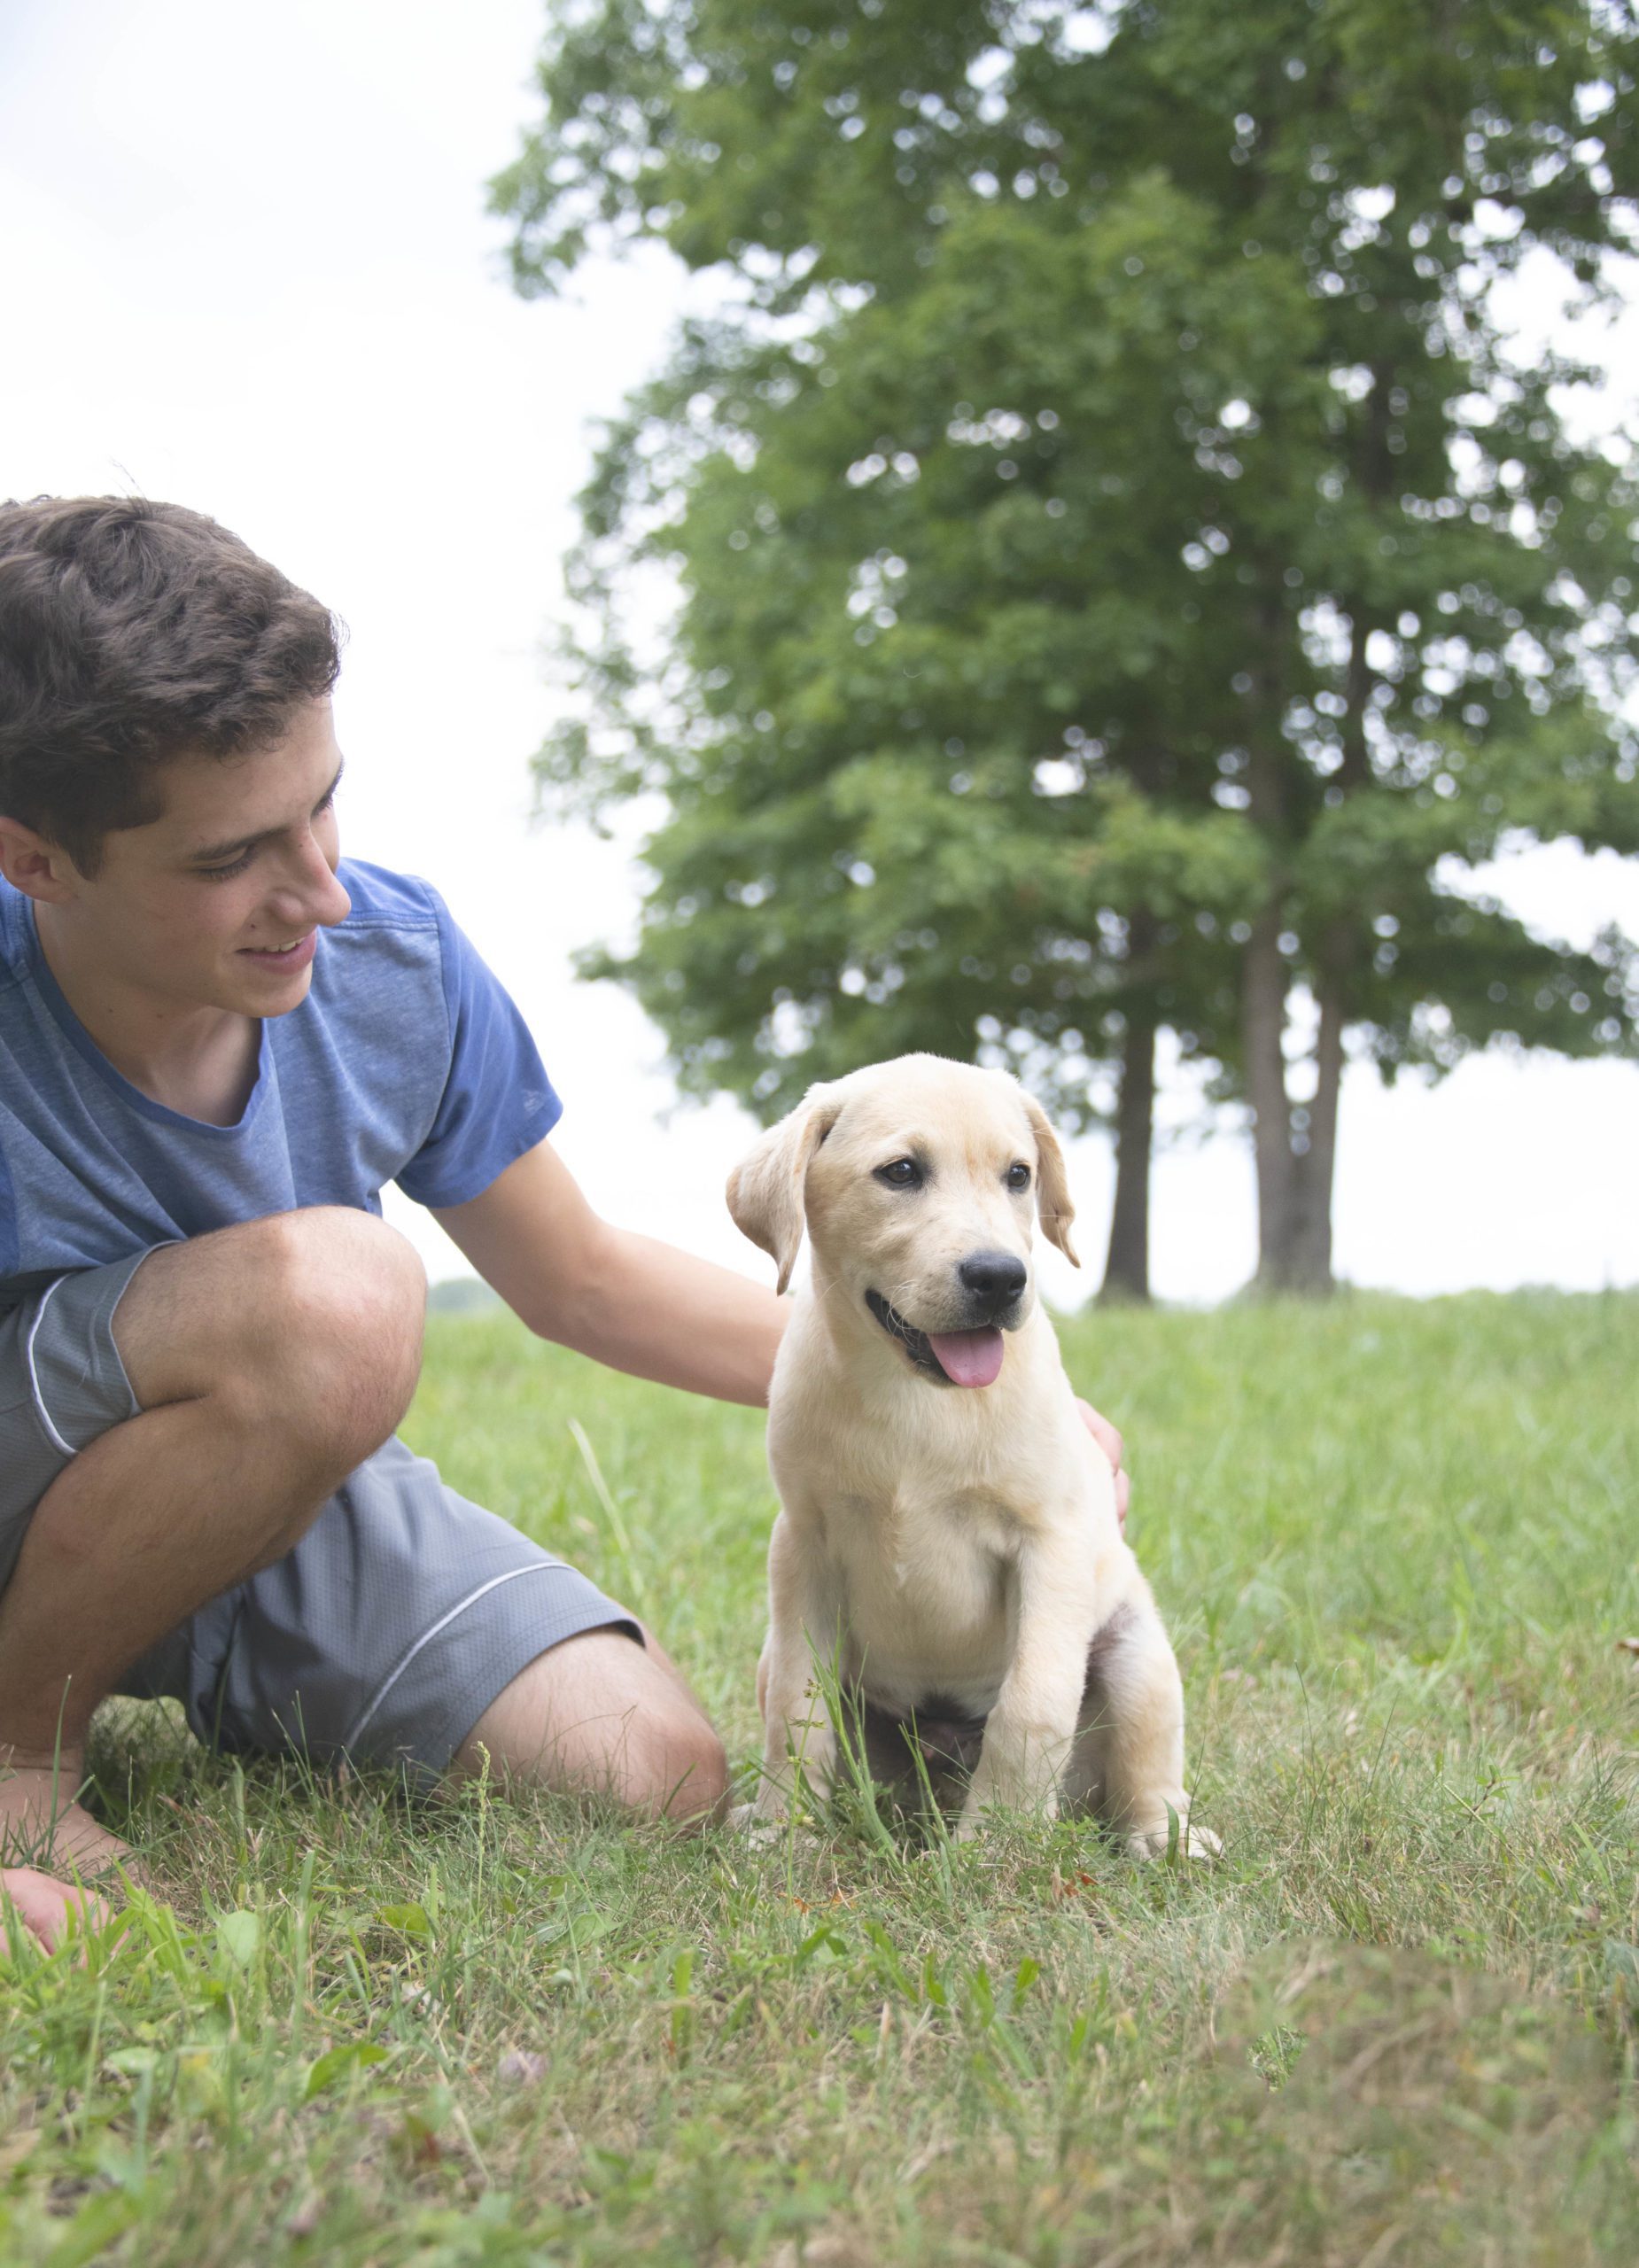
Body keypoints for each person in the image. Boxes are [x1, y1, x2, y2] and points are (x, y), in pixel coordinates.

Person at [0, 496, 1128, 1951]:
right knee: (341, 1293)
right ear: (35, 861)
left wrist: (1010, 1399)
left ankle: (173, 1658)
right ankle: (21, 1758)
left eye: (322, 804)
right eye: (231, 860)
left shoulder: (390, 964)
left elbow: (581, 1279)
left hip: (244, 1492)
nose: (320, 891)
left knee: (643, 1769)